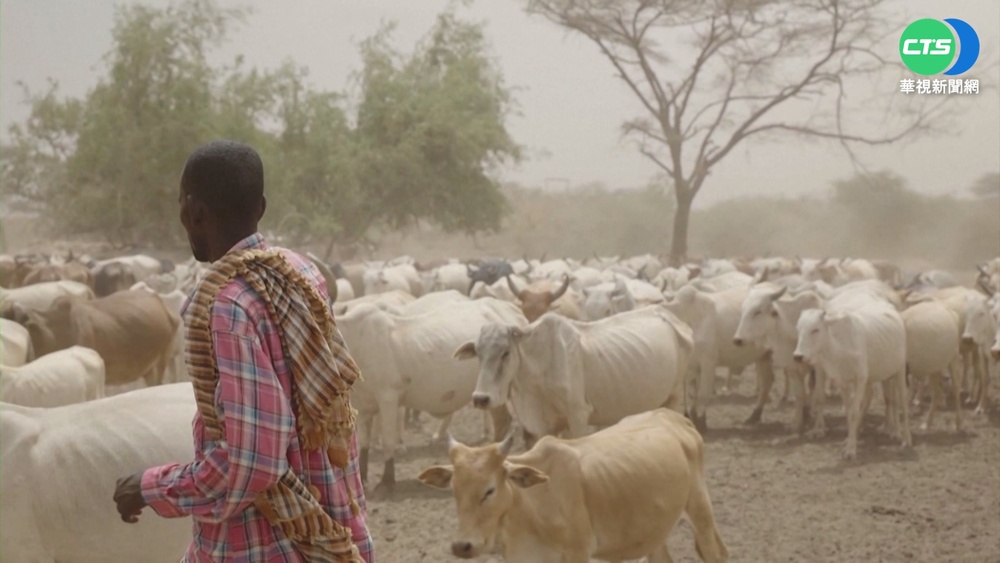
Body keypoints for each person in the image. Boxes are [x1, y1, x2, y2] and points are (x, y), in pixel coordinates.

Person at [113, 140, 374, 562]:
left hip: (265, 546)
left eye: (181, 203)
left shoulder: (227, 305)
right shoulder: (300, 272)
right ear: (262, 207)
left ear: (194, 211)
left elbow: (251, 463)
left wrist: (151, 487)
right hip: (331, 526)